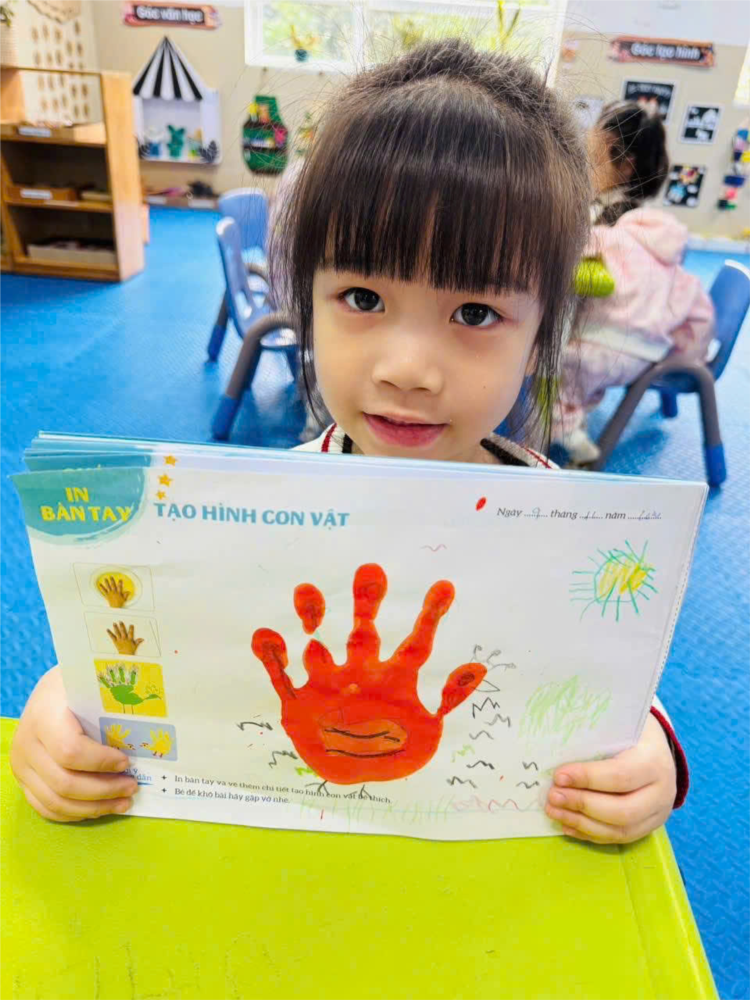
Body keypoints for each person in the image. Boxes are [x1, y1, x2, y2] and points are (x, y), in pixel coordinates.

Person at [10, 41, 686, 845]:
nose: (408, 370)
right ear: (306, 301)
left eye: (475, 313)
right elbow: (173, 641)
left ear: (543, 337)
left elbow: (606, 677)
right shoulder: (254, 514)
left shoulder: (564, 529)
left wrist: (650, 756)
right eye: (362, 297)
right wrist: (66, 711)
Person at [553, 100, 715, 463]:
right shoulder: (652, 225)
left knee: (546, 364)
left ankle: (564, 429)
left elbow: (582, 281)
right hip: (642, 342)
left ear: (624, 166)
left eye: (592, 160)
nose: (584, 169)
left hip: (601, 341)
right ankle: (573, 416)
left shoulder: (610, 225)